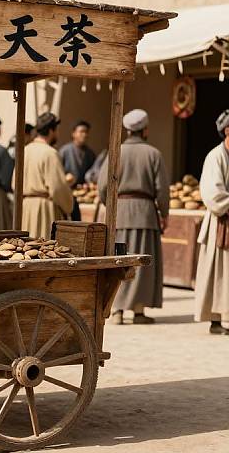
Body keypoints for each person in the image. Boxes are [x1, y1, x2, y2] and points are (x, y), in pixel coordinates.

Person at [98, 109, 169, 325]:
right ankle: (138, 311)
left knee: (118, 260)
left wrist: (111, 206)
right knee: (143, 264)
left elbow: (102, 186)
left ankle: (117, 309)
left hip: (119, 213)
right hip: (145, 214)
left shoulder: (114, 152)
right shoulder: (153, 154)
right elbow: (163, 190)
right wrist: (164, 214)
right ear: (145, 129)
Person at [194, 110, 229, 335]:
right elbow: (212, 193)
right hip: (220, 221)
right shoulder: (215, 157)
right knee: (217, 272)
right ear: (227, 131)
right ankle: (215, 320)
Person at [21, 112, 73, 239]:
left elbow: (14, 183)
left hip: (25, 207)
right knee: (43, 246)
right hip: (43, 208)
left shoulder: (25, 150)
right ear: (51, 131)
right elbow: (57, 188)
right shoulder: (50, 153)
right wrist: (69, 206)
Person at [59, 120, 96, 221]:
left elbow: (92, 173)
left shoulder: (90, 154)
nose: (84, 134)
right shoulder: (64, 151)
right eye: (81, 131)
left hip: (82, 195)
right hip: (67, 193)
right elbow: (58, 172)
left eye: (86, 132)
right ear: (74, 133)